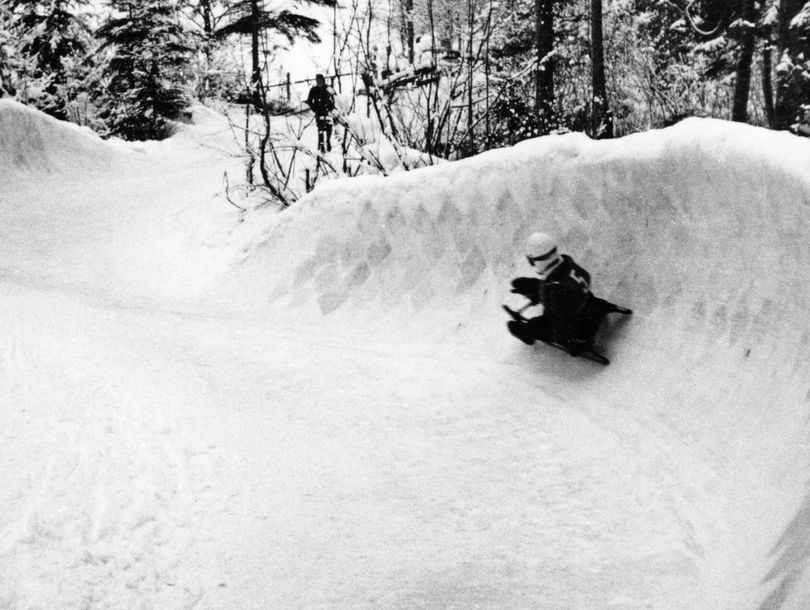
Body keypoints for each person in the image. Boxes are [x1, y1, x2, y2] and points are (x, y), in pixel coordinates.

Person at [506, 232, 631, 355]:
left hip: (576, 330)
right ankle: (599, 307)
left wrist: (530, 327)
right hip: (587, 304)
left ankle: (526, 334)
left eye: (531, 261)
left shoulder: (553, 292)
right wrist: (539, 291)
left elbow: (561, 326)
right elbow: (561, 285)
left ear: (536, 260)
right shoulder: (566, 261)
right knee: (542, 289)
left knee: (532, 326)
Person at [306, 74, 335, 153]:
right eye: (317, 81)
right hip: (319, 111)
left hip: (328, 111)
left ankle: (328, 141)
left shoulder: (328, 88)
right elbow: (309, 101)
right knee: (320, 128)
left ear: (323, 80)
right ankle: (321, 144)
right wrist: (314, 109)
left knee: (329, 127)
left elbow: (334, 98)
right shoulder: (313, 90)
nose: (319, 82)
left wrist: (331, 108)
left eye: (320, 81)